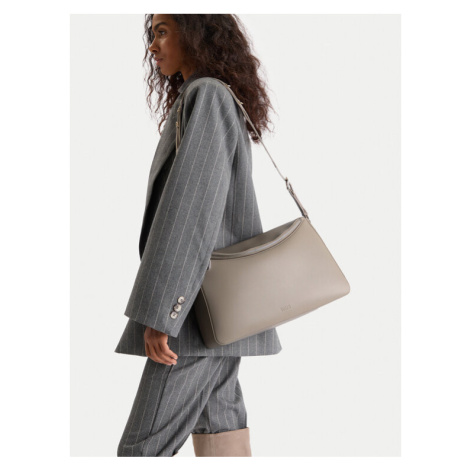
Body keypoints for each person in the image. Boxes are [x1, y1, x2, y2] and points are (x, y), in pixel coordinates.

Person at [115, 14, 282, 457]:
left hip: (194, 315)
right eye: (152, 33)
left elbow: (192, 211)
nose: (153, 45)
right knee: (221, 435)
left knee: (141, 450)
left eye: (163, 31)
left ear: (196, 32)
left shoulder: (206, 94)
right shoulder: (209, 95)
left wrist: (164, 313)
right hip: (218, 313)